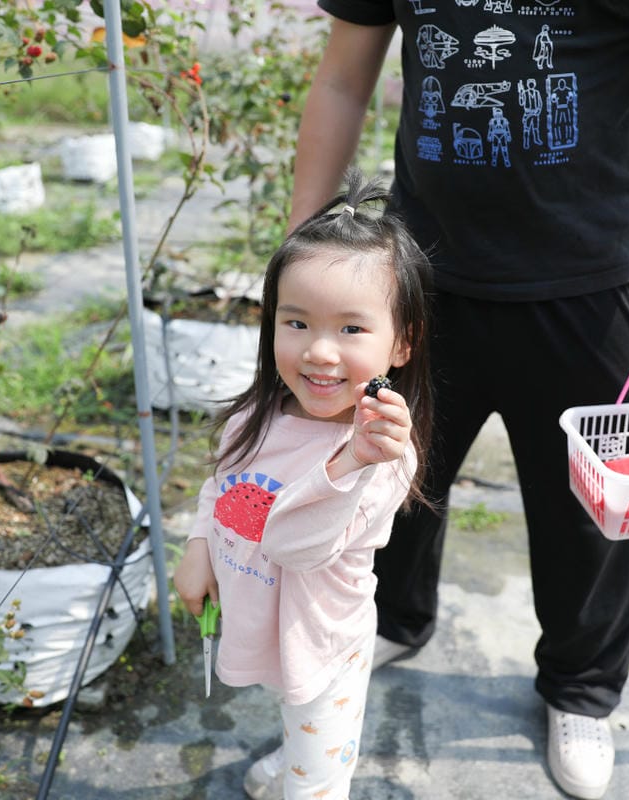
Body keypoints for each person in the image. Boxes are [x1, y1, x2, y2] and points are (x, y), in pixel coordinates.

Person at [286, 3, 629, 798]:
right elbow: (341, 75)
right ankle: (393, 619)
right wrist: (300, 245)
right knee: (383, 470)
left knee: (595, 517)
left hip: (588, 281)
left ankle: (579, 688)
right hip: (419, 277)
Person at [172, 169, 434, 800]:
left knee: (316, 783)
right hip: (262, 617)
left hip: (322, 648)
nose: (319, 351)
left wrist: (350, 464)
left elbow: (293, 545)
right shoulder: (257, 414)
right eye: (297, 323)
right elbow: (224, 483)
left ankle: (302, 774)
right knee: (300, 734)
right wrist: (200, 542)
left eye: (351, 329)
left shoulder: (381, 457)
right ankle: (293, 761)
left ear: (401, 343)